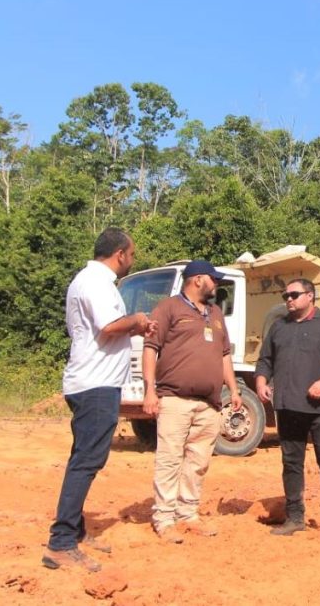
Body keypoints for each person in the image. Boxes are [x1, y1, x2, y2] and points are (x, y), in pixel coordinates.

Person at [43, 227, 154, 573]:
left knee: (83, 458)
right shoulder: (96, 282)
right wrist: (137, 320)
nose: (132, 260)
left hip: (92, 382)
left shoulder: (91, 281)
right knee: (87, 461)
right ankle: (61, 543)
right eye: (131, 254)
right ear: (120, 254)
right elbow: (108, 326)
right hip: (95, 384)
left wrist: (132, 325)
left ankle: (74, 532)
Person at [142, 260, 242, 543]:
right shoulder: (168, 308)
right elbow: (150, 348)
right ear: (198, 280)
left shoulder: (216, 313)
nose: (217, 284)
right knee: (170, 460)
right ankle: (164, 518)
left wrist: (234, 390)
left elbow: (224, 355)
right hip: (174, 399)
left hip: (209, 404)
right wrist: (150, 390)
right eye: (214, 279)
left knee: (198, 461)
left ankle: (188, 514)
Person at [255, 278, 320, 535]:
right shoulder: (279, 327)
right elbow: (265, 360)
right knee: (291, 463)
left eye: (294, 294)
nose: (288, 299)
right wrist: (261, 381)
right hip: (288, 406)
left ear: (310, 296)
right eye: (285, 296)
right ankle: (295, 518)